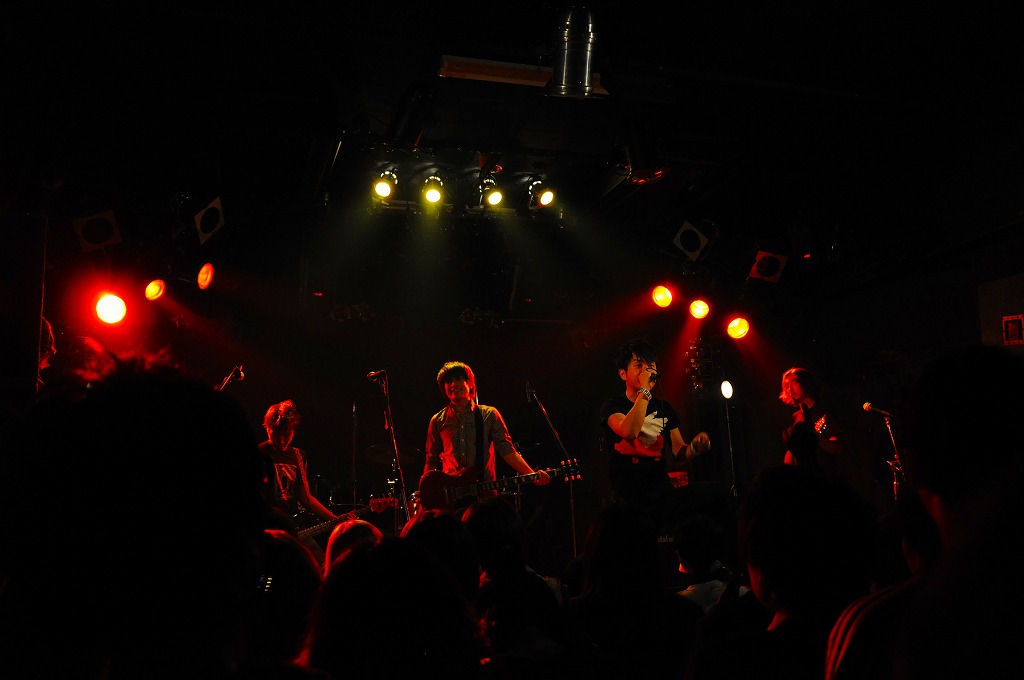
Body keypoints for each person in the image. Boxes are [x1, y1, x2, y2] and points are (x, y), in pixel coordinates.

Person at [600, 339, 716, 529]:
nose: (647, 370)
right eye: (639, 365)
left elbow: (679, 453)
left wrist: (695, 447)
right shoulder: (613, 406)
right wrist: (644, 392)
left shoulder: (664, 408)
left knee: (716, 494)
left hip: (661, 494)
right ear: (623, 374)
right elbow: (629, 431)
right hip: (628, 500)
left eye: (651, 365)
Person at [421, 361, 549, 511]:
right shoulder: (437, 420)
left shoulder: (489, 414)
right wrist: (426, 494)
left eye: (458, 378)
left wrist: (532, 475)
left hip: (484, 499)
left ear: (470, 383)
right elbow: (431, 460)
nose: (453, 384)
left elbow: (507, 451)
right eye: (448, 381)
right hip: (451, 501)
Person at [259, 400, 339, 555]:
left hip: (293, 527)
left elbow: (306, 498)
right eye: (277, 434)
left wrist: (335, 519)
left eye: (287, 435)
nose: (282, 441)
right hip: (267, 529)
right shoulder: (257, 454)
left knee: (319, 563)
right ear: (267, 428)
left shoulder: (298, 456)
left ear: (293, 432)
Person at [779, 367, 842, 472]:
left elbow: (838, 448)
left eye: (794, 383)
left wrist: (816, 438)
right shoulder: (796, 416)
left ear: (805, 383)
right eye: (787, 386)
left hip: (823, 473)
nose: (790, 389)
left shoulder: (823, 410)